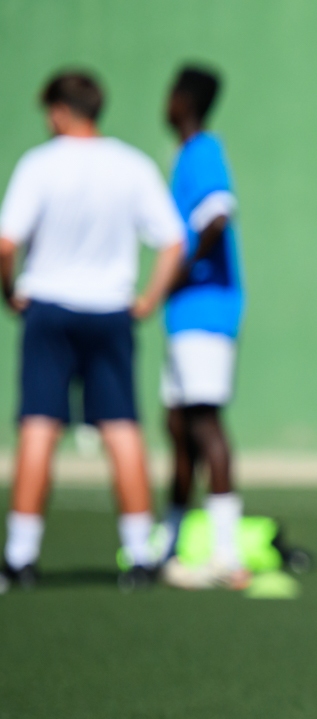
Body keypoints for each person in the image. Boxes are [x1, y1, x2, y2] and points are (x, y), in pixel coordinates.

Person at [0, 70, 184, 592]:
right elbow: (173, 241)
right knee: (121, 427)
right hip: (109, 311)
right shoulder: (132, 165)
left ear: (60, 111)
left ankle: (20, 558)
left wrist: (9, 292)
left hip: (49, 309)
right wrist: (148, 300)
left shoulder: (39, 165)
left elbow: (6, 244)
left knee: (39, 427)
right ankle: (140, 557)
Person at [155, 66, 249, 590]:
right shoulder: (187, 154)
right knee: (177, 426)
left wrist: (181, 270)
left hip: (206, 313)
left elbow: (218, 214)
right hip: (184, 316)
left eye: (170, 94)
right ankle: (167, 544)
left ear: (183, 100)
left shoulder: (204, 149)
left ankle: (227, 555)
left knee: (205, 425)